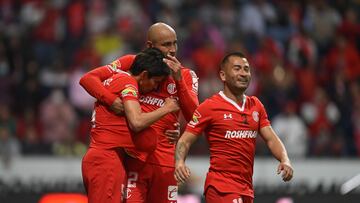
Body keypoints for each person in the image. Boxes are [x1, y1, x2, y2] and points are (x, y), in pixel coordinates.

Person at [79, 22, 199, 203]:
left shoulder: (186, 76)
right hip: (134, 160)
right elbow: (89, 79)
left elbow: (195, 117)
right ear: (150, 46)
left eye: (175, 43)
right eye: (166, 44)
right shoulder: (132, 64)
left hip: (165, 162)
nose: (173, 49)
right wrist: (112, 101)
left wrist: (179, 81)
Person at [174, 52, 293, 203]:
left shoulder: (256, 105)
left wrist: (285, 159)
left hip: (246, 188)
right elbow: (185, 140)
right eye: (237, 69)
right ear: (223, 75)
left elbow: (271, 139)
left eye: (246, 69)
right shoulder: (210, 107)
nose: (243, 73)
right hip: (221, 188)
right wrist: (179, 162)